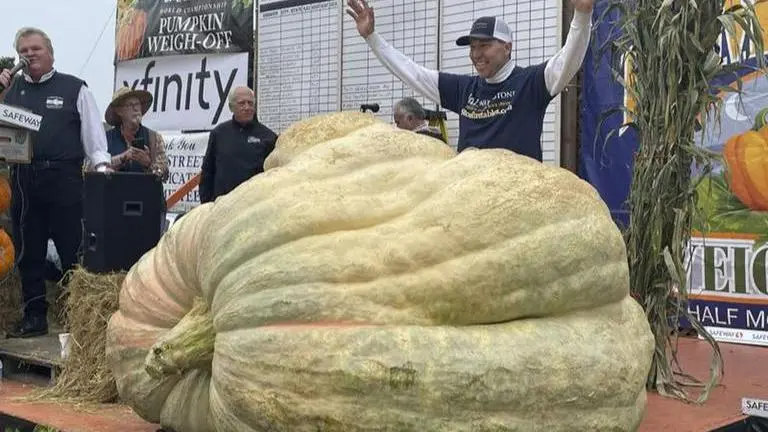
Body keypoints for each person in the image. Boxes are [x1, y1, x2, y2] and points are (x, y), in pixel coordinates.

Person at [346, 0, 594, 162]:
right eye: (473, 47)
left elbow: (569, 59)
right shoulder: (463, 89)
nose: (476, 54)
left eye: (484, 45)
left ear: (507, 47)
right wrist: (372, 38)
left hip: (516, 202)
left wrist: (582, 15)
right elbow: (412, 72)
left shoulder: (531, 83)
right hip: (470, 201)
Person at [0, 27, 112, 338]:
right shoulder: (11, 90)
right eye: (23, 50)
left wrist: (101, 166)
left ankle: (82, 320)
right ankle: (35, 317)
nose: (29, 54)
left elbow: (94, 136)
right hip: (24, 179)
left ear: (50, 53)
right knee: (29, 253)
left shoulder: (74, 88)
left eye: (35, 49)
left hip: (64, 179)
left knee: (72, 250)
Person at [199, 86, 277, 203]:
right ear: (231, 107)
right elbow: (207, 172)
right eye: (242, 103)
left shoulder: (269, 137)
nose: (247, 107)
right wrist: (206, 204)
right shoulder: (219, 133)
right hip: (222, 206)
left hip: (254, 205)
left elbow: (274, 176)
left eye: (250, 103)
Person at [105, 86, 169, 181]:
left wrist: (148, 163)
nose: (136, 108)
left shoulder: (154, 138)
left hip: (145, 190)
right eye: (130, 105)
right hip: (115, 190)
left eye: (137, 104)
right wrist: (123, 157)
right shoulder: (105, 138)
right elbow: (91, 168)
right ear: (119, 111)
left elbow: (164, 175)